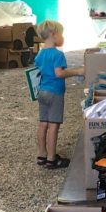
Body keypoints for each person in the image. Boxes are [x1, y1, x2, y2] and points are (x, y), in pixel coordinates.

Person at [34, 20, 84, 169]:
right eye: (62, 34)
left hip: (42, 91)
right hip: (55, 92)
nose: (63, 37)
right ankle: (51, 159)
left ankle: (42, 154)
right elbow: (59, 73)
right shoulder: (58, 54)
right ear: (54, 35)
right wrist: (78, 71)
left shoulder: (40, 54)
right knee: (54, 125)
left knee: (43, 123)